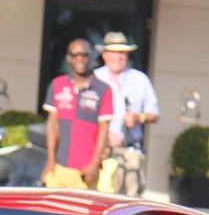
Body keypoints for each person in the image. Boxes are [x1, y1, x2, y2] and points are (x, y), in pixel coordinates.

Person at [93, 31, 158, 196]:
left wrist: (139, 117)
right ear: (105, 54)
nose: (118, 56)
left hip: (130, 151)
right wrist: (106, 136)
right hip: (100, 150)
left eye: (122, 52)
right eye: (114, 52)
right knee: (99, 195)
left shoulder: (140, 79)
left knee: (130, 199)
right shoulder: (94, 79)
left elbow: (154, 114)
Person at [42, 37, 113, 190]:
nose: (80, 58)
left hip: (85, 171)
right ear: (69, 58)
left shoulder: (103, 90)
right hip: (60, 168)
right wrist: (50, 160)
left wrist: (95, 164)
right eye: (75, 54)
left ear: (92, 57)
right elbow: (52, 124)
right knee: (54, 211)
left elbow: (103, 130)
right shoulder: (57, 85)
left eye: (85, 54)